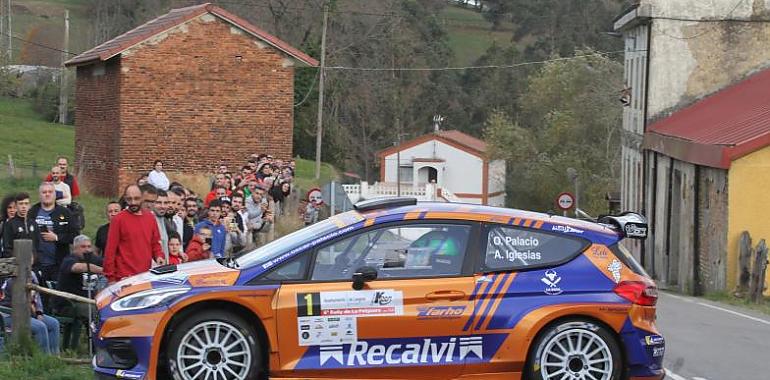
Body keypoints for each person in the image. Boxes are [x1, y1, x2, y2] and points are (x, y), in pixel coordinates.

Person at [104, 185, 165, 284]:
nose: (133, 202)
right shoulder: (118, 219)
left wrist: (159, 256)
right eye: (129, 199)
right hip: (124, 277)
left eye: (136, 198)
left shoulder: (150, 218)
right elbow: (110, 250)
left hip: (145, 276)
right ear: (125, 199)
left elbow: (155, 243)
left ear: (142, 198)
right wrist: (111, 278)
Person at [1, 253, 60, 355]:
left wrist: (39, 312)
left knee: (53, 323)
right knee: (40, 327)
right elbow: (21, 301)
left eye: (30, 257)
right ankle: (43, 357)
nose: (29, 260)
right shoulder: (12, 280)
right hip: (10, 315)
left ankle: (54, 356)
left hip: (29, 312)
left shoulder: (32, 275)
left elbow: (36, 297)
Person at [53, 235, 103, 350]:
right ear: (75, 248)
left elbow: (105, 263)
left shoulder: (92, 259)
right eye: (83, 247)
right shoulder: (69, 259)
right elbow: (77, 268)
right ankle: (95, 349)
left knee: (102, 310)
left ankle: (100, 347)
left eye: (89, 247)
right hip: (68, 304)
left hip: (87, 302)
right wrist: (100, 270)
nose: (87, 250)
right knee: (95, 313)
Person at [29, 182, 74, 286]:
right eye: (44, 192)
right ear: (39, 195)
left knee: (57, 296)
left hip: (58, 264)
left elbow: (74, 235)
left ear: (55, 195)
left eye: (50, 192)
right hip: (37, 264)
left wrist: (57, 237)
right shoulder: (32, 212)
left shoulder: (65, 212)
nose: (47, 194)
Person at [1, 193, 34, 258]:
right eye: (9, 208)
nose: (12, 210)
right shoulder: (2, 224)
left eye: (15, 208)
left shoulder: (28, 224)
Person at [152, 190, 172, 261]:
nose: (163, 206)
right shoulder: (150, 219)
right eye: (159, 203)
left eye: (165, 203)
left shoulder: (163, 219)